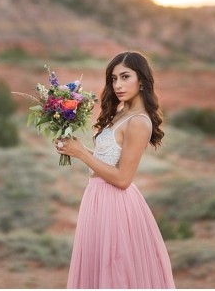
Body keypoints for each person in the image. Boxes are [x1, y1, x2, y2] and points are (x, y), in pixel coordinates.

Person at [56, 50, 175, 288]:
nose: (118, 84)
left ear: (141, 80)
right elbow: (106, 161)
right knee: (98, 270)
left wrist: (82, 153)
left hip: (116, 204)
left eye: (125, 77)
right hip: (97, 198)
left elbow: (122, 179)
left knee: (115, 272)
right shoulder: (122, 113)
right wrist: (75, 150)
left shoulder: (139, 121)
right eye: (113, 78)